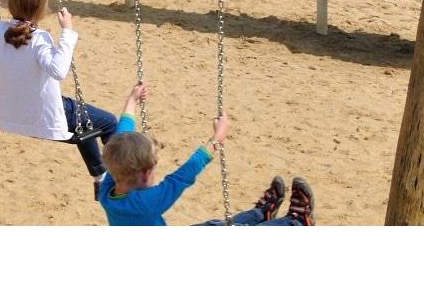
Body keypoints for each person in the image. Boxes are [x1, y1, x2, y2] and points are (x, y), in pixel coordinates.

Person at [0, 0, 120, 183]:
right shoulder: (39, 38)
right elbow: (58, 71)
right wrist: (67, 32)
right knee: (110, 122)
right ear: (41, 9)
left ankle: (100, 177)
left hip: (13, 117)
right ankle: (122, 177)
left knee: (84, 122)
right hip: (45, 117)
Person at [97, 86, 315, 226]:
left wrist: (132, 101)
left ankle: (261, 214)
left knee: (213, 226)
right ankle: (295, 223)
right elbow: (183, 175)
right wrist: (217, 137)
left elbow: (121, 136)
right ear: (146, 175)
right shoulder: (147, 202)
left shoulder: (109, 188)